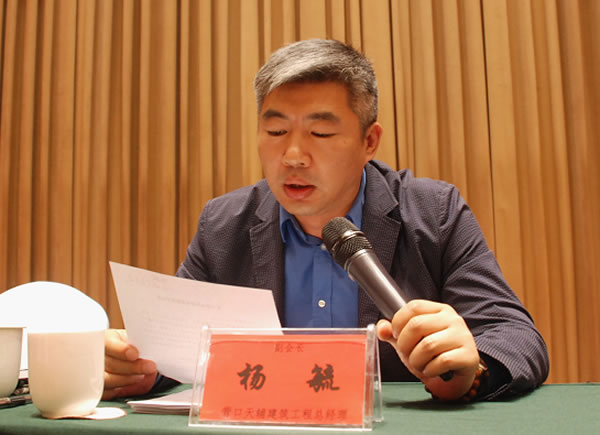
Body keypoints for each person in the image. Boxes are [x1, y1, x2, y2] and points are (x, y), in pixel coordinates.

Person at [103, 39, 549, 402]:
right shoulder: (224, 224)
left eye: (320, 133)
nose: (293, 156)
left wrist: (472, 368)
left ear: (369, 141)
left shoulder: (433, 212)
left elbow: (514, 335)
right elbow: (179, 350)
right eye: (276, 132)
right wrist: (136, 367)